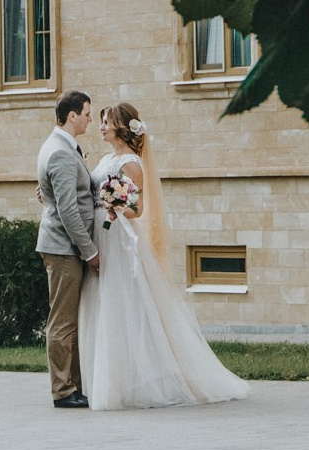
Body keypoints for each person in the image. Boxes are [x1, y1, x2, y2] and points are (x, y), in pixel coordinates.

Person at [77, 100, 248, 410]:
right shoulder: (106, 158)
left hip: (118, 237)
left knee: (125, 302)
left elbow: (138, 209)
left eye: (106, 122)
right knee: (103, 301)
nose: (101, 127)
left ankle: (139, 380)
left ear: (121, 127)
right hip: (100, 233)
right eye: (100, 121)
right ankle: (107, 378)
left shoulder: (131, 163)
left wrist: (116, 206)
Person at [35, 89, 98, 409]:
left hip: (64, 246)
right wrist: (89, 251)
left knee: (69, 320)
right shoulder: (59, 151)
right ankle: (63, 390)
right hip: (63, 248)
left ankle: (74, 386)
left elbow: (52, 195)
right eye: (87, 113)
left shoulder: (61, 146)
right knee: (61, 321)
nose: (90, 118)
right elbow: (68, 210)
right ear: (72, 115)